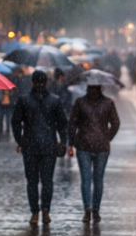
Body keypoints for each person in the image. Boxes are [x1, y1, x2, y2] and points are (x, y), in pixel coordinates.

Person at [11, 70, 67, 224]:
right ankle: (46, 209)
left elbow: (15, 122)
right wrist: (63, 141)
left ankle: (35, 211)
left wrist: (19, 140)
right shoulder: (55, 100)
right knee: (47, 180)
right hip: (49, 146)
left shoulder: (23, 100)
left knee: (32, 181)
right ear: (47, 83)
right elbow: (62, 123)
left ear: (32, 82)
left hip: (30, 146)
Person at [67, 83, 121, 223]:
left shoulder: (79, 102)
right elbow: (116, 123)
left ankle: (87, 210)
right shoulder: (108, 103)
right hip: (102, 147)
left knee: (85, 179)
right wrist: (107, 137)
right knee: (98, 179)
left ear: (87, 87)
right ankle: (96, 210)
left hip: (83, 145)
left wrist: (71, 143)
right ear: (101, 87)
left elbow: (72, 123)